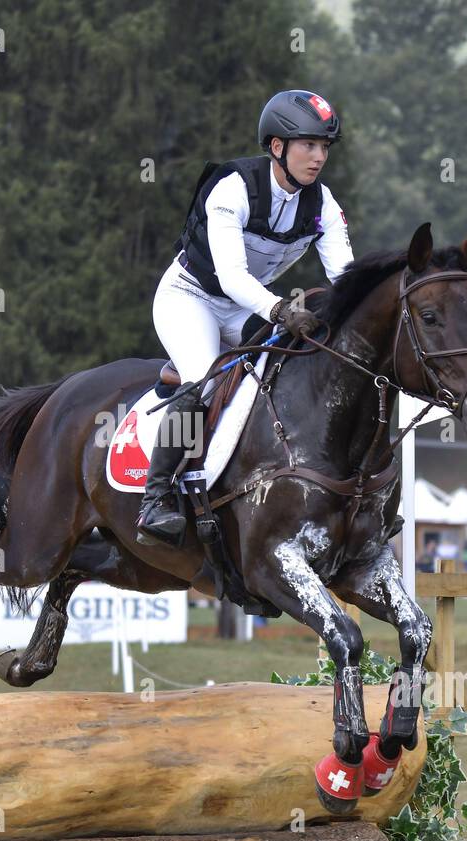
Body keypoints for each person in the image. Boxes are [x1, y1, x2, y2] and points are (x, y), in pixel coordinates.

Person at [136, 89, 355, 546]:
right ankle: (155, 500)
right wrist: (279, 310)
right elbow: (232, 276)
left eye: (324, 147)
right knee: (206, 380)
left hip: (244, 307)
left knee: (290, 370)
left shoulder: (324, 207)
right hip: (189, 296)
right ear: (277, 147)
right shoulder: (232, 188)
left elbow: (346, 277)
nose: (319, 158)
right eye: (308, 145)